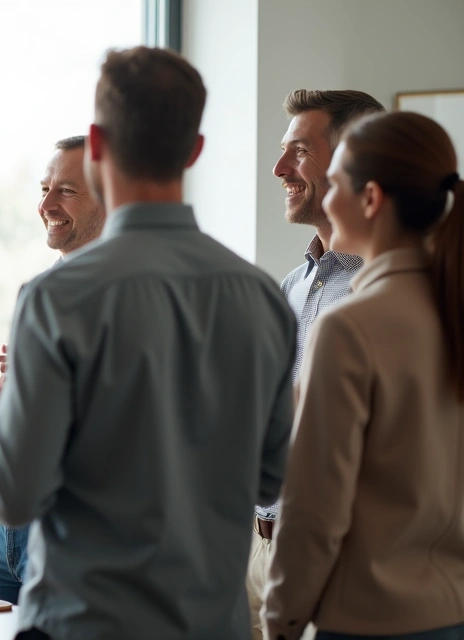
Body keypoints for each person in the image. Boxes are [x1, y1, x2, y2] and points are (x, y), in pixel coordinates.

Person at [0, 46, 297, 640]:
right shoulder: (262, 298)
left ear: (96, 148)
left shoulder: (53, 298)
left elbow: (14, 494)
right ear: (194, 151)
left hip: (82, 623)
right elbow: (272, 480)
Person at [264, 111, 464, 640]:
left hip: (368, 621)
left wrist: (280, 621)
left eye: (335, 187)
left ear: (370, 199)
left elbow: (313, 511)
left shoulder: (351, 327)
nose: (327, 201)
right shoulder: (452, 308)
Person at [249, 89, 383, 640]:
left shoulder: (387, 291)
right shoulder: (291, 284)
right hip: (257, 548)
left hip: (338, 560)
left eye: (299, 152)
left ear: (354, 158)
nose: (279, 168)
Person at [0, 135, 105, 604]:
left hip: (69, 525)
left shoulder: (130, 293)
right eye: (44, 189)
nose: (47, 204)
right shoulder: (37, 290)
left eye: (67, 191)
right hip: (12, 529)